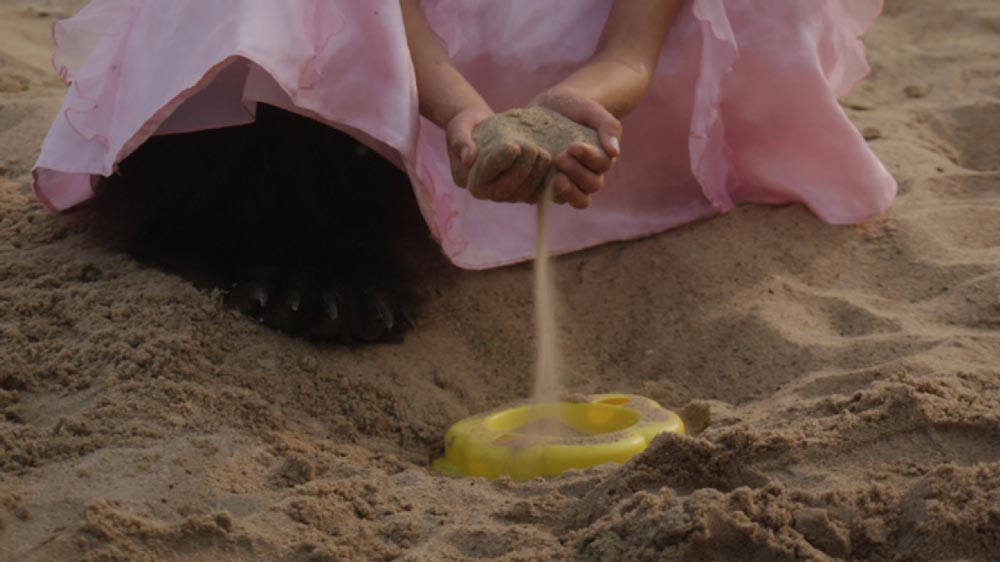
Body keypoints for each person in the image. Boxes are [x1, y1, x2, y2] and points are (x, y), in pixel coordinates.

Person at [32, 0, 896, 341]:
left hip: (541, 32)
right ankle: (286, 238)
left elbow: (634, 45)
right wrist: (459, 113)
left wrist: (570, 108)